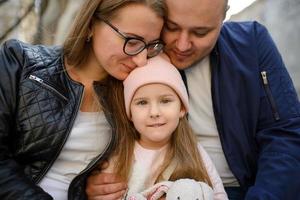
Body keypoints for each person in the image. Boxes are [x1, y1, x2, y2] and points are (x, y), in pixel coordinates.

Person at [86, 0, 300, 199]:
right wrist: (95, 182)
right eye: (172, 27)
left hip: (248, 189)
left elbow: (285, 134)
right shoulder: (134, 57)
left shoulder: (251, 44)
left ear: (223, 18)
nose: (182, 45)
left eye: (200, 32)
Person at [0, 0, 166, 199]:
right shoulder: (19, 62)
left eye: (150, 46)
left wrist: (85, 189)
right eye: (131, 41)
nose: (141, 60)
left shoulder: (140, 93)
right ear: (91, 25)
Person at [102, 56, 227, 199]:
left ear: (182, 108)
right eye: (142, 103)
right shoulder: (120, 155)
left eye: (165, 101)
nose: (154, 112)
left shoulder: (193, 150)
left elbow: (218, 195)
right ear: (130, 113)